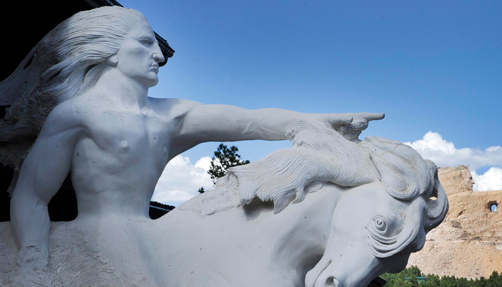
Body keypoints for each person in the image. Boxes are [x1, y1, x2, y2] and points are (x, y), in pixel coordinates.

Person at [3, 6, 384, 268]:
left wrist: (321, 121)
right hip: (94, 248)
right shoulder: (75, 115)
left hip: (149, 241)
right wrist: (34, 262)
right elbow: (32, 196)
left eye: (157, 44)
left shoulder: (171, 116)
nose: (160, 56)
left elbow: (251, 122)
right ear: (111, 51)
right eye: (145, 43)